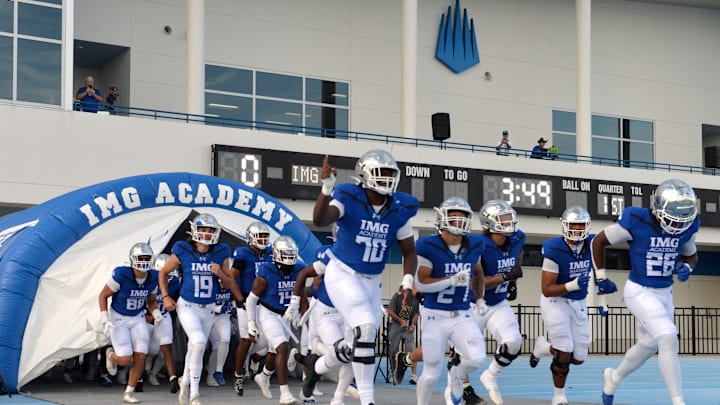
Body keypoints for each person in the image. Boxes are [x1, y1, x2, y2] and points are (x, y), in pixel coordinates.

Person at [305, 150, 419, 405]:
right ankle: (368, 400)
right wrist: (326, 187)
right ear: (365, 173)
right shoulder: (348, 195)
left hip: (372, 280)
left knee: (352, 346)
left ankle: (318, 366)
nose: (387, 179)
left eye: (391, 174)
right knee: (365, 326)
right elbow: (320, 219)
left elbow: (409, 252)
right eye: (381, 173)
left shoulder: (400, 207)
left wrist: (408, 280)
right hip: (343, 273)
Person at [594, 179, 698, 405]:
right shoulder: (636, 219)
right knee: (668, 336)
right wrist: (600, 277)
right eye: (672, 215)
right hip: (639, 289)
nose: (677, 224)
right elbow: (598, 241)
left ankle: (614, 377)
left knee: (648, 344)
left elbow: (691, 254)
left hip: (664, 292)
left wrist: (687, 266)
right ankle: (678, 401)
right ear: (658, 207)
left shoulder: (688, 226)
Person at [158, 213, 242, 405]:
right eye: (202, 229)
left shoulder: (221, 251)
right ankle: (194, 393)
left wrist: (220, 272)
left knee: (195, 347)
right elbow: (163, 272)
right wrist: (165, 296)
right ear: (194, 230)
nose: (205, 233)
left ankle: (185, 380)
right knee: (198, 342)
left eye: (210, 230)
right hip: (187, 305)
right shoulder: (182, 249)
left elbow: (229, 283)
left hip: (209, 308)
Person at [414, 197, 488, 405]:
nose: (459, 220)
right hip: (434, 315)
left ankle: (457, 374)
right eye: (454, 215)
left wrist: (480, 298)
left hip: (462, 314)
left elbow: (479, 272)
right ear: (442, 218)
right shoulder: (428, 245)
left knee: (476, 357)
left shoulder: (475, 244)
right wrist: (451, 281)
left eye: (463, 216)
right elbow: (422, 284)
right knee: (431, 372)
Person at [529, 206, 595, 405]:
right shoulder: (554, 248)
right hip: (555, 301)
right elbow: (547, 289)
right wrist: (573, 284)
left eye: (580, 225)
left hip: (578, 302)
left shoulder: (592, 244)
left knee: (579, 357)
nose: (576, 229)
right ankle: (559, 396)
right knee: (564, 348)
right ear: (565, 225)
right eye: (573, 224)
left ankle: (542, 348)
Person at [286, 225, 356, 405]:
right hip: (325, 311)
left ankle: (326, 389)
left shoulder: (360, 256)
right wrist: (296, 302)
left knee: (349, 355)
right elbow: (313, 282)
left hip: (345, 313)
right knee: (341, 354)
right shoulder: (328, 254)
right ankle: (318, 381)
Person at [470, 199, 525, 405]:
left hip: (498, 302)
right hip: (474, 303)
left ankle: (490, 375)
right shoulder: (478, 244)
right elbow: (478, 283)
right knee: (467, 356)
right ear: (488, 222)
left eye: (509, 217)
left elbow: (517, 255)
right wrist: (505, 277)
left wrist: (513, 282)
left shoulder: (517, 237)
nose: (508, 221)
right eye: (502, 218)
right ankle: (456, 392)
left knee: (513, 342)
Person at [99, 242, 162, 404]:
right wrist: (104, 317)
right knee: (125, 359)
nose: (143, 261)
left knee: (141, 355)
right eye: (140, 258)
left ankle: (129, 391)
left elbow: (152, 300)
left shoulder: (153, 277)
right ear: (133, 259)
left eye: (146, 258)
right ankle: (110, 355)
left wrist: (155, 312)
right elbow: (103, 296)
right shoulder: (122, 274)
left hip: (137, 317)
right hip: (119, 317)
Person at [246, 236, 306, 405]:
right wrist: (251, 322)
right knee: (282, 347)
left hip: (285, 314)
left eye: (291, 253)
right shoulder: (266, 272)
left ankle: (264, 376)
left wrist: (300, 313)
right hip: (268, 313)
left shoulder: (299, 269)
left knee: (274, 351)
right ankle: (284, 393)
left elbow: (301, 292)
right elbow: (251, 300)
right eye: (285, 253)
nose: (289, 257)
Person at [231, 221, 272, 396]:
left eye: (265, 236)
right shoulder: (243, 253)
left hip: (265, 303)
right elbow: (231, 278)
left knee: (268, 340)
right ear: (250, 238)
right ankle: (238, 375)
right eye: (259, 236)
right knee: (247, 340)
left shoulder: (271, 253)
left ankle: (255, 360)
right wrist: (239, 298)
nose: (262, 239)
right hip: (247, 301)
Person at [143, 253, 180, 393]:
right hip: (146, 316)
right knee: (145, 349)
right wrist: (146, 317)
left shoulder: (175, 281)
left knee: (166, 348)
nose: (166, 278)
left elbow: (178, 298)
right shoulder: (148, 279)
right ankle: (133, 375)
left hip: (164, 316)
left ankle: (172, 378)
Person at [386, 285, 419, 384]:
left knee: (411, 350)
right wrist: (400, 320)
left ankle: (413, 375)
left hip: (408, 325)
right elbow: (390, 311)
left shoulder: (415, 298)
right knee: (393, 350)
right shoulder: (396, 296)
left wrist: (412, 325)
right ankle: (394, 373)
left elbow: (417, 313)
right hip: (396, 325)